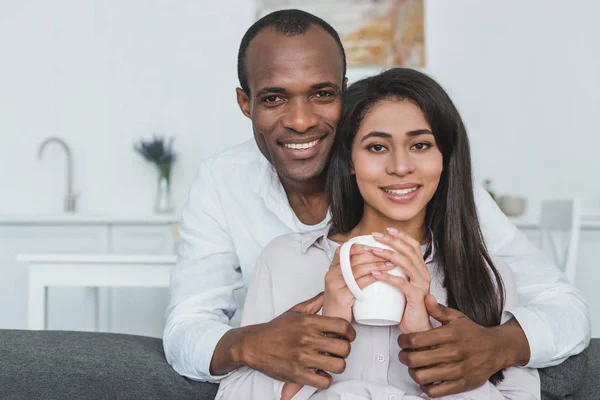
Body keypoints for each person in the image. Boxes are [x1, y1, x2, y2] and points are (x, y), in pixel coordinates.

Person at [163, 9, 590, 398]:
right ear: (246, 103)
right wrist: (252, 343)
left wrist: (495, 345)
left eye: (322, 94)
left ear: (344, 94)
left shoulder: (431, 186)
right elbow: (188, 325)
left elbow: (560, 307)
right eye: (274, 98)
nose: (300, 120)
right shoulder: (228, 189)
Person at [216, 66, 543, 400]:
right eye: (376, 147)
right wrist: (328, 332)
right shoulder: (284, 260)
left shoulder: (488, 276)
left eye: (420, 145)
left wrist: (426, 341)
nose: (400, 167)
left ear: (444, 159)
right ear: (350, 160)